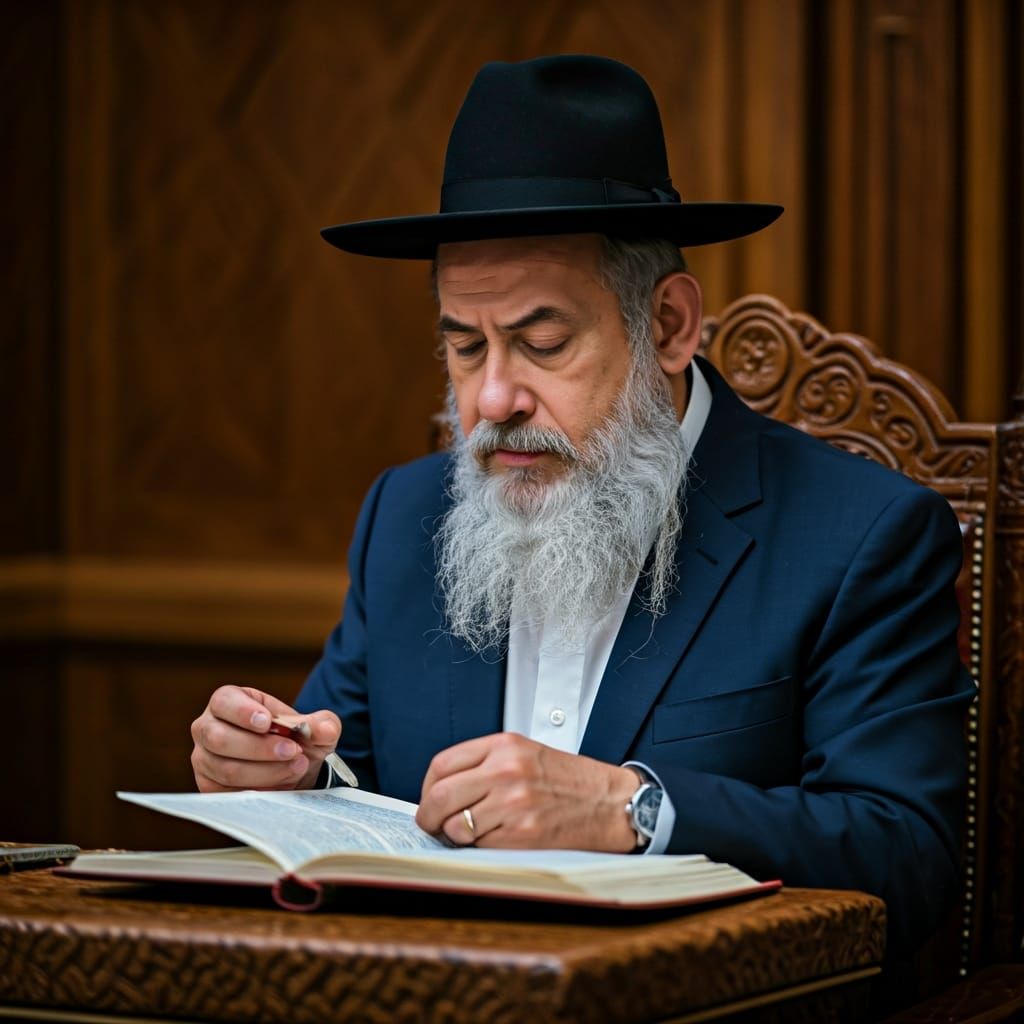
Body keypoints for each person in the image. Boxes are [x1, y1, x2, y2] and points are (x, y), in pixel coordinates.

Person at [190, 55, 974, 954]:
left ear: (671, 326)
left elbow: (911, 861)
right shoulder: (406, 519)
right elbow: (350, 780)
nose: (492, 400)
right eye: (465, 346)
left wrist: (634, 810)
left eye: (542, 342)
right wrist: (285, 773)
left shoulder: (861, 535)